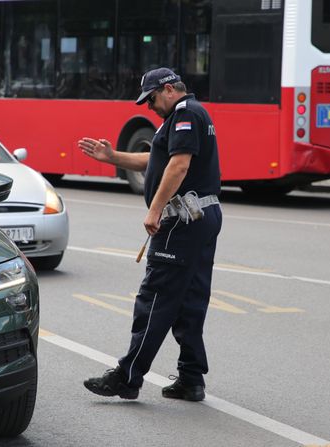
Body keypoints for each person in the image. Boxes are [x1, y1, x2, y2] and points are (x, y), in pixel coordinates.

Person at [77, 67, 222, 402]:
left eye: (152, 98)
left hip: (182, 219)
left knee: (155, 297)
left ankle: (127, 377)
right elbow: (154, 160)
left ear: (169, 89)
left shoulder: (185, 115)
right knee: (190, 300)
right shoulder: (187, 116)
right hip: (203, 215)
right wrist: (113, 157)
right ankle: (191, 378)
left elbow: (178, 166)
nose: (150, 106)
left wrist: (155, 209)